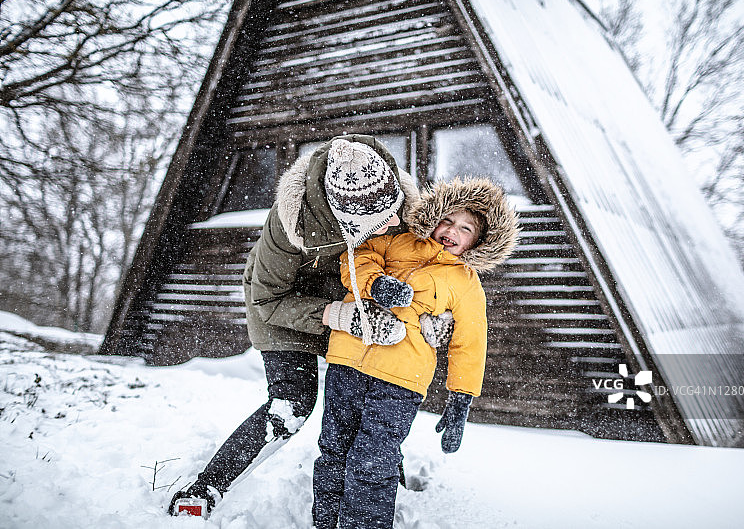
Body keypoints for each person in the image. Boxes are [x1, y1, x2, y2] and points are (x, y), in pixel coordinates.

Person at [169, 136, 420, 515]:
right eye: (380, 221)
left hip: (357, 299)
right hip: (282, 306)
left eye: (394, 211)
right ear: (342, 217)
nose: (396, 222)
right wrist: (338, 316)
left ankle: (377, 473)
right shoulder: (292, 223)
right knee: (291, 404)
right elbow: (267, 299)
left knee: (372, 394)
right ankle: (206, 490)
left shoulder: (398, 200)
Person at [312, 177, 520, 529]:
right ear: (435, 216)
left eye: (466, 228)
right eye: (448, 220)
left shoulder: (466, 282)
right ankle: (325, 523)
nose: (452, 231)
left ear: (479, 241)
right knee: (334, 449)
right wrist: (376, 283)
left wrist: (461, 398)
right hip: (347, 361)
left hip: (401, 381)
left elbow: (470, 343)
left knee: (373, 460)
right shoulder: (397, 241)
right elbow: (357, 259)